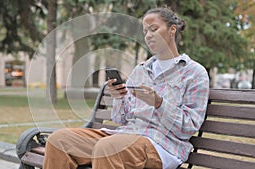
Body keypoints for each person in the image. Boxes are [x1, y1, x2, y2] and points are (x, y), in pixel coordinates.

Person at [43, 7, 209, 169]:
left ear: (172, 30)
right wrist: (119, 97)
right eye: (145, 32)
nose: (149, 36)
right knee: (59, 140)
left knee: (108, 148)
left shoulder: (194, 73)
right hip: (124, 135)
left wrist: (159, 103)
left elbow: (189, 127)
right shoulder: (141, 70)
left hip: (162, 145)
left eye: (154, 29)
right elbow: (121, 119)